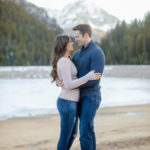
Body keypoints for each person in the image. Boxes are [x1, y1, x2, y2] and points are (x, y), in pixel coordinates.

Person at [58, 24, 105, 150]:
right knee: (88, 130)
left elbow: (94, 80)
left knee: (84, 132)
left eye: (77, 36)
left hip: (91, 97)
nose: (75, 39)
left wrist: (70, 86)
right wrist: (60, 82)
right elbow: (69, 75)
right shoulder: (77, 54)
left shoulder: (97, 53)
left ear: (86, 35)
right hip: (77, 98)